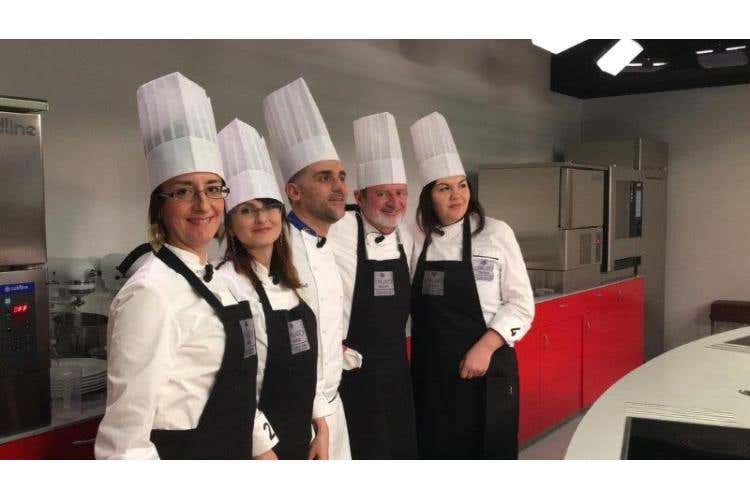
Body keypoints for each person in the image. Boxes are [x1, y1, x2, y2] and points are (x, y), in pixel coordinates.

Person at [95, 72, 257, 459]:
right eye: (184, 191)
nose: (203, 205)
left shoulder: (222, 281)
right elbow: (124, 444)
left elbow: (232, 384)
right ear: (160, 207)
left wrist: (263, 446)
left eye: (213, 189)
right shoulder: (149, 294)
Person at [408, 111, 535, 459]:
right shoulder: (416, 237)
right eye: (444, 188)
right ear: (428, 196)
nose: (456, 195)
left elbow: (521, 304)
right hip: (433, 375)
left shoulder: (496, 233)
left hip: (488, 369)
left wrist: (486, 347)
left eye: (462, 185)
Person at [214, 119, 322, 460]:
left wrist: (320, 424)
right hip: (255, 444)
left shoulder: (290, 280)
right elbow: (231, 383)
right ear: (231, 225)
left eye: (269, 206)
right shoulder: (227, 285)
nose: (261, 218)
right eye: (246, 210)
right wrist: (262, 448)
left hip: (301, 433)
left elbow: (307, 364)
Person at [262, 77, 351, 459]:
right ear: (294, 192)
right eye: (324, 177)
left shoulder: (329, 244)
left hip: (332, 406)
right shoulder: (274, 250)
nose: (339, 187)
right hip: (293, 415)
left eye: (341, 176)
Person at [327, 112, 417, 458]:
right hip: (352, 369)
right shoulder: (336, 232)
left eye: (400, 193)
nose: (394, 203)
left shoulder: (407, 236)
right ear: (359, 196)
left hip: (396, 366)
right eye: (382, 194)